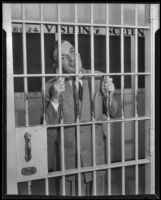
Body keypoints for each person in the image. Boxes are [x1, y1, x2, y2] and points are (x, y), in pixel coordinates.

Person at [41, 40, 118, 196]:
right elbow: (45, 128)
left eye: (72, 51)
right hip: (68, 161)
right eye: (62, 57)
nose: (71, 59)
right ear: (57, 65)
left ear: (78, 52)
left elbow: (113, 112)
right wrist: (55, 99)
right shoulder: (49, 87)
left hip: (96, 157)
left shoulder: (98, 77)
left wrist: (109, 96)